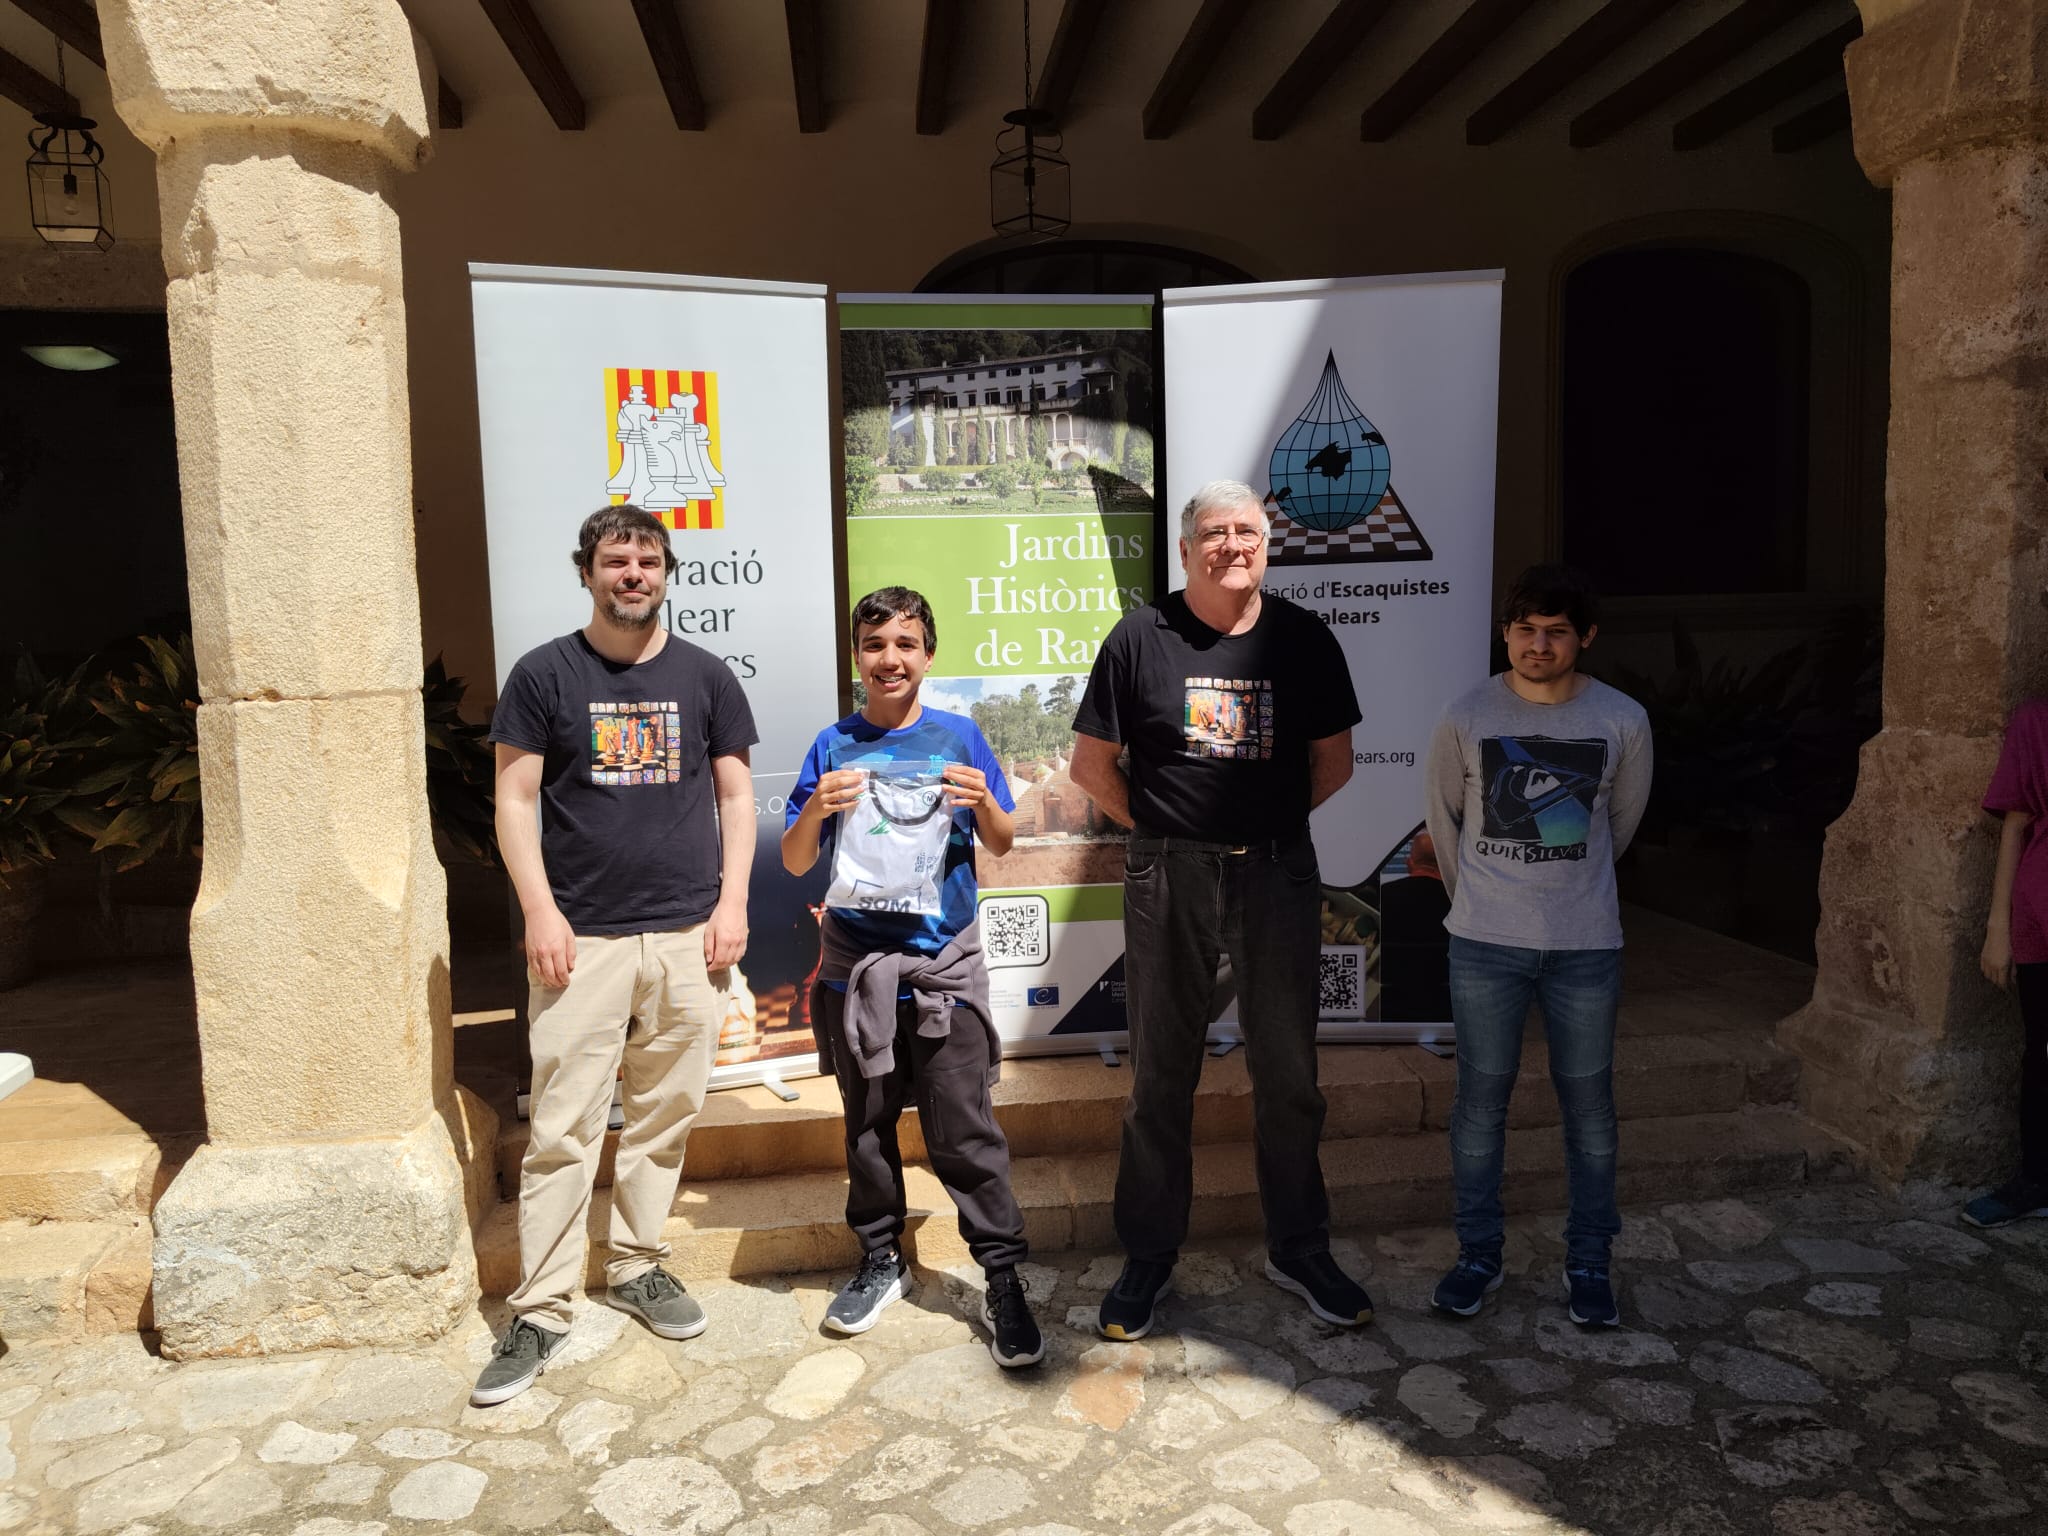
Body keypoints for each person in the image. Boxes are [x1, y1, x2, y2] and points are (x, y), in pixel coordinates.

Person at [1070, 478, 1373, 1340]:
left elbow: (1335, 763)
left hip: (1276, 875)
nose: (1232, 546)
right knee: (1160, 1075)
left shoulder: (1304, 638)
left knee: (1290, 1074)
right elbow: (1091, 768)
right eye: (1214, 533)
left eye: (1247, 531)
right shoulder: (1139, 638)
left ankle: (1300, 1248)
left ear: (1266, 545)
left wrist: (1259, 828)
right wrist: (1165, 830)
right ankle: (1149, 1255)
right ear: (1185, 550)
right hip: (1170, 877)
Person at [473, 503, 758, 1407]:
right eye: (615, 560)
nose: (632, 574)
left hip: (686, 937)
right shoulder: (544, 673)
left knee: (666, 1114)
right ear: (587, 572)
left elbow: (737, 799)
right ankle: (541, 1308)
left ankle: (637, 1265)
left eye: (647, 561)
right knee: (563, 1129)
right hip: (581, 939)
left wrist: (732, 904)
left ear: (667, 573)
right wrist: (539, 911)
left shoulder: (706, 676)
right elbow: (514, 802)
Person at [781, 586, 1043, 1368]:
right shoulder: (833, 744)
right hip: (857, 973)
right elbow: (796, 859)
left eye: (905, 644)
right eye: (874, 645)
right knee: (866, 1128)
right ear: (855, 656)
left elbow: (1001, 840)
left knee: (965, 1132)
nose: (889, 659)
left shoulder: (960, 736)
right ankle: (881, 1258)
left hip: (942, 971)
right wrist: (816, 809)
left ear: (929, 654)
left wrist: (983, 802)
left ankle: (1001, 1277)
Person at [1423, 563, 1650, 1328]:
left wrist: (1566, 893)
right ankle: (1477, 1256)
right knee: (1479, 1109)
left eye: (1557, 632)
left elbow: (1619, 826)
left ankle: (1588, 1263)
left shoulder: (1622, 719)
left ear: (1586, 637)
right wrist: (1485, 904)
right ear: (1506, 633)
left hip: (1586, 948)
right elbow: (1445, 826)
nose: (1539, 645)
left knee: (1590, 1114)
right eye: (1525, 629)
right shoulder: (1466, 715)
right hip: (1484, 946)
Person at [1962, 697, 2048, 1227]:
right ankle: (2036, 1180)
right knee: (2042, 1053)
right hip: (2042, 915)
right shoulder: (2036, 721)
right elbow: (2015, 824)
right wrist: (1998, 928)